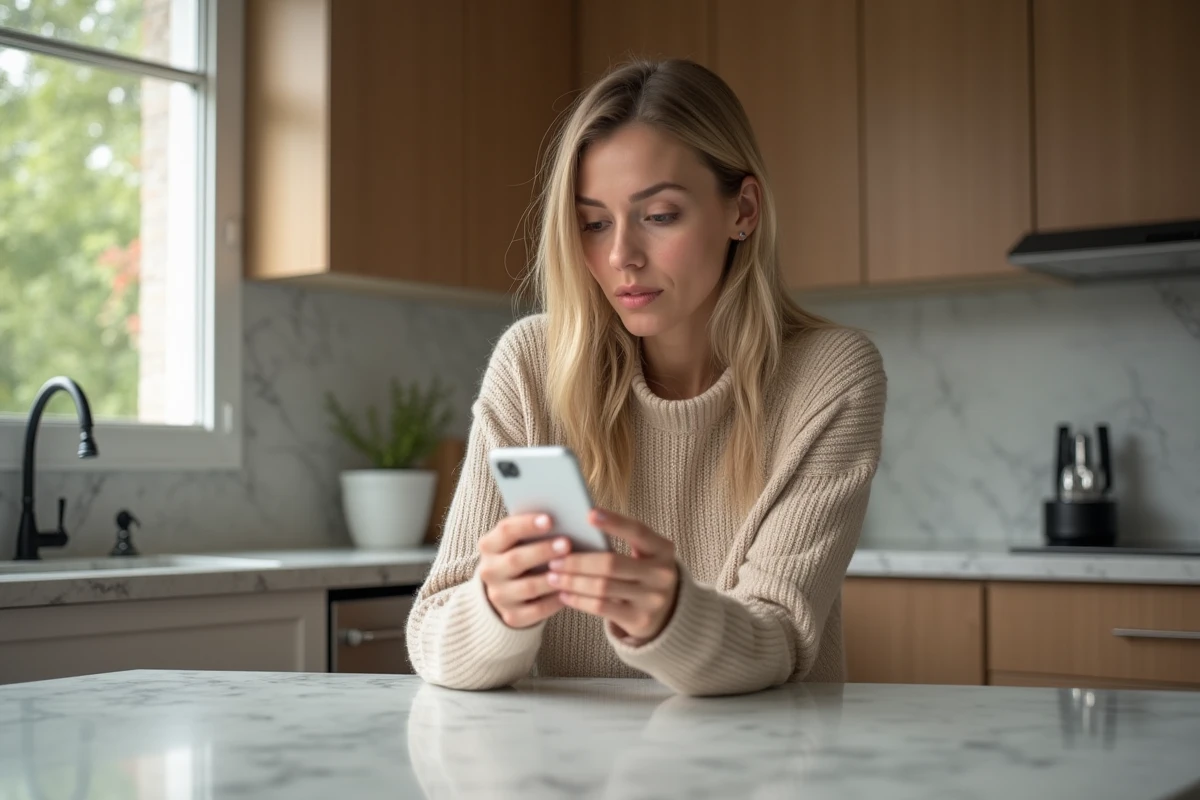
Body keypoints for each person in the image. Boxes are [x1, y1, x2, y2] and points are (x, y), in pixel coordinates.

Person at [406, 58, 886, 697]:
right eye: (594, 222)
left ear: (742, 210)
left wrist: (672, 618)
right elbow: (432, 634)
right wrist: (496, 610)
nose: (620, 256)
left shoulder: (831, 377)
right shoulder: (531, 364)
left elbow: (779, 639)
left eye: (659, 215)